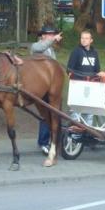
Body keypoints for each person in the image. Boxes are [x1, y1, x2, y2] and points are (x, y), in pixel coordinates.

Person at [30, 25, 63, 155]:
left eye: (52, 34)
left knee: (52, 114)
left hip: (51, 86)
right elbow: (42, 47)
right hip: (40, 86)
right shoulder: (36, 46)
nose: (51, 37)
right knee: (45, 115)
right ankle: (43, 142)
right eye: (49, 35)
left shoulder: (50, 50)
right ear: (42, 36)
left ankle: (51, 139)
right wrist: (54, 39)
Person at [66, 30, 100, 127]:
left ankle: (87, 131)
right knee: (76, 111)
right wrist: (81, 76)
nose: (84, 40)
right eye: (82, 38)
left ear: (91, 40)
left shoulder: (94, 53)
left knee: (89, 111)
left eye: (86, 38)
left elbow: (97, 69)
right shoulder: (76, 52)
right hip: (78, 86)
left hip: (91, 86)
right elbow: (69, 69)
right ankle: (74, 134)